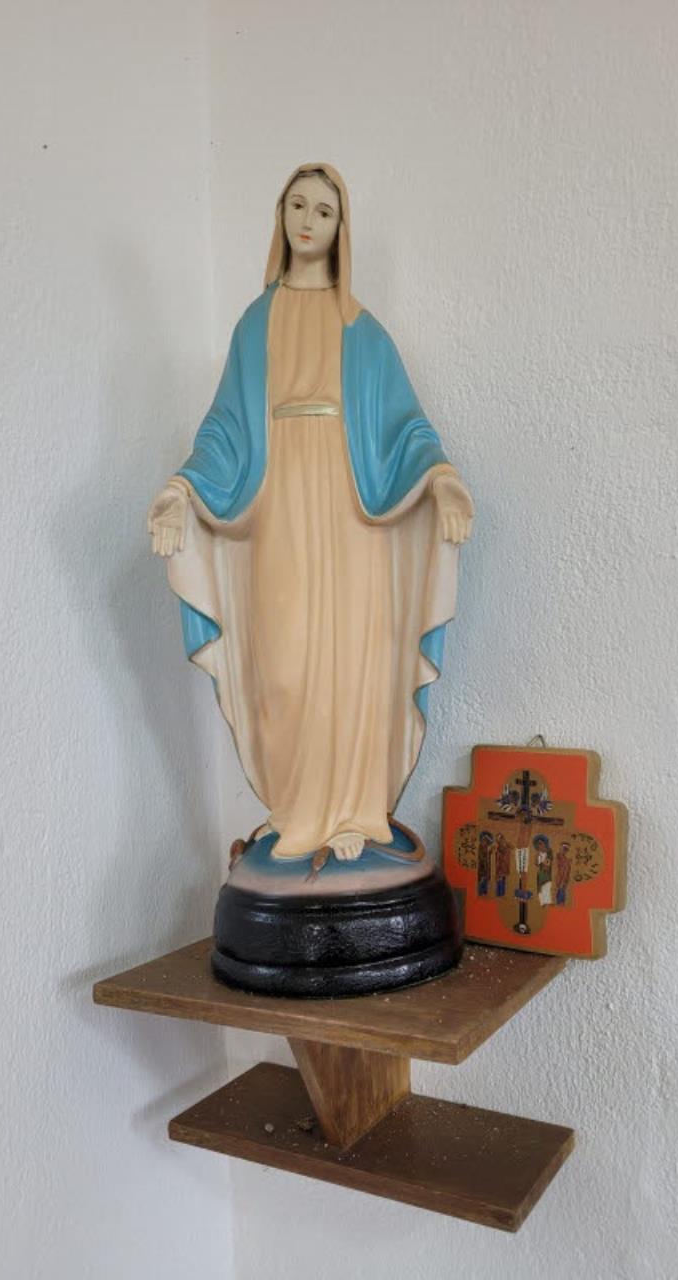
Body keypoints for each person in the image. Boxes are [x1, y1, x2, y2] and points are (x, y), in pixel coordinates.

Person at [147, 163, 474, 867]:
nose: (307, 220)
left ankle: (354, 807)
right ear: (280, 214)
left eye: (323, 211)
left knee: (354, 654)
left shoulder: (364, 331)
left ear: (340, 227)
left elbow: (407, 428)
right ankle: (296, 809)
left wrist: (442, 480)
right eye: (297, 205)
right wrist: (181, 489)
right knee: (284, 655)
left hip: (352, 513)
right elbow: (224, 430)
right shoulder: (255, 325)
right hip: (279, 507)